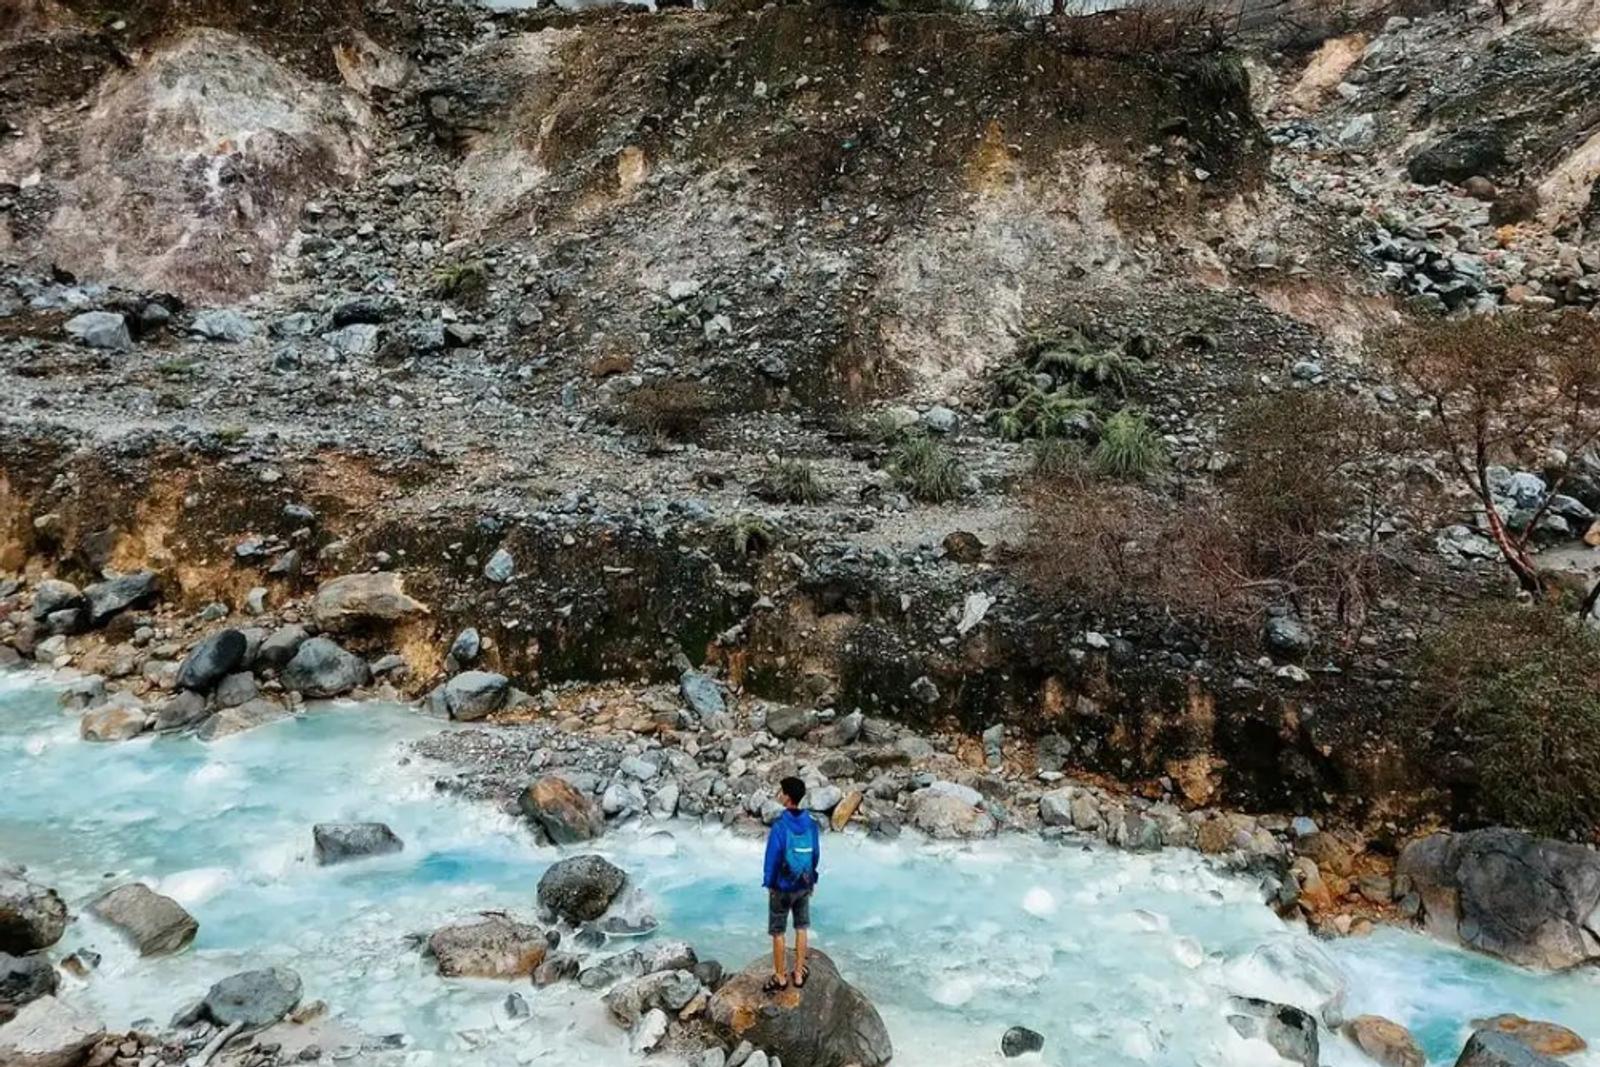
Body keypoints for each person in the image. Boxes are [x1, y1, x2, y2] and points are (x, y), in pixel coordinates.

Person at [762, 775, 820, 993]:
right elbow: (815, 854)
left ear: (787, 797)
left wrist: (769, 882)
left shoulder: (780, 826)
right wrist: (812, 879)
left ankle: (780, 976)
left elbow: (772, 858)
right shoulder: (812, 825)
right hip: (803, 884)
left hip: (782, 886)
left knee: (778, 931)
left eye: (781, 791)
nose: (779, 794)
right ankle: (798, 973)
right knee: (801, 927)